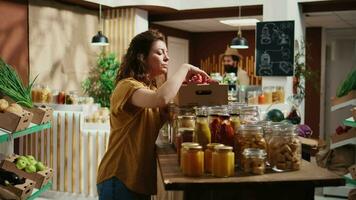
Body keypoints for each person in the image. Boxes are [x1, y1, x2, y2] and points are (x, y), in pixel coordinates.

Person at [96, 29, 209, 200]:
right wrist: (185, 68)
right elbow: (161, 98)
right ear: (142, 57)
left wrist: (189, 91)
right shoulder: (127, 87)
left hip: (138, 180)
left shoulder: (150, 90)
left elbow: (167, 105)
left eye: (167, 53)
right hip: (119, 177)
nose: (167, 58)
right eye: (159, 52)